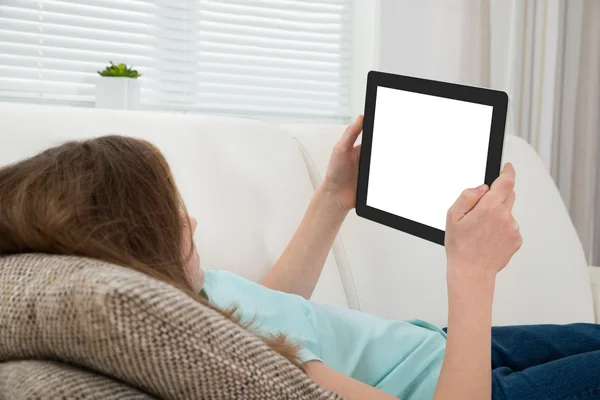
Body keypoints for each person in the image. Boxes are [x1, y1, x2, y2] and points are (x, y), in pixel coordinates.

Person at [1, 117, 599, 400]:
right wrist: (472, 271)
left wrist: (334, 197)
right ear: (136, 243)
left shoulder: (202, 304)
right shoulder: (241, 361)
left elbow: (275, 305)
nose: (192, 220)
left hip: (435, 344)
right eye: (173, 213)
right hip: (461, 382)